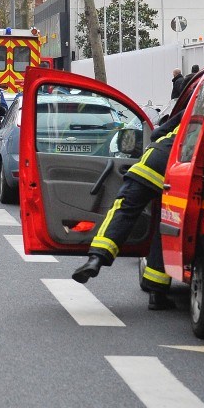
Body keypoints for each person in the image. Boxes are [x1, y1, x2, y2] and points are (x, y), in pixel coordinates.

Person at [71, 111, 184, 310]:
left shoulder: (192, 108)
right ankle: (156, 294)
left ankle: (96, 258)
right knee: (166, 227)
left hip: (151, 162)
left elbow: (157, 134)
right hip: (177, 173)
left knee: (122, 211)